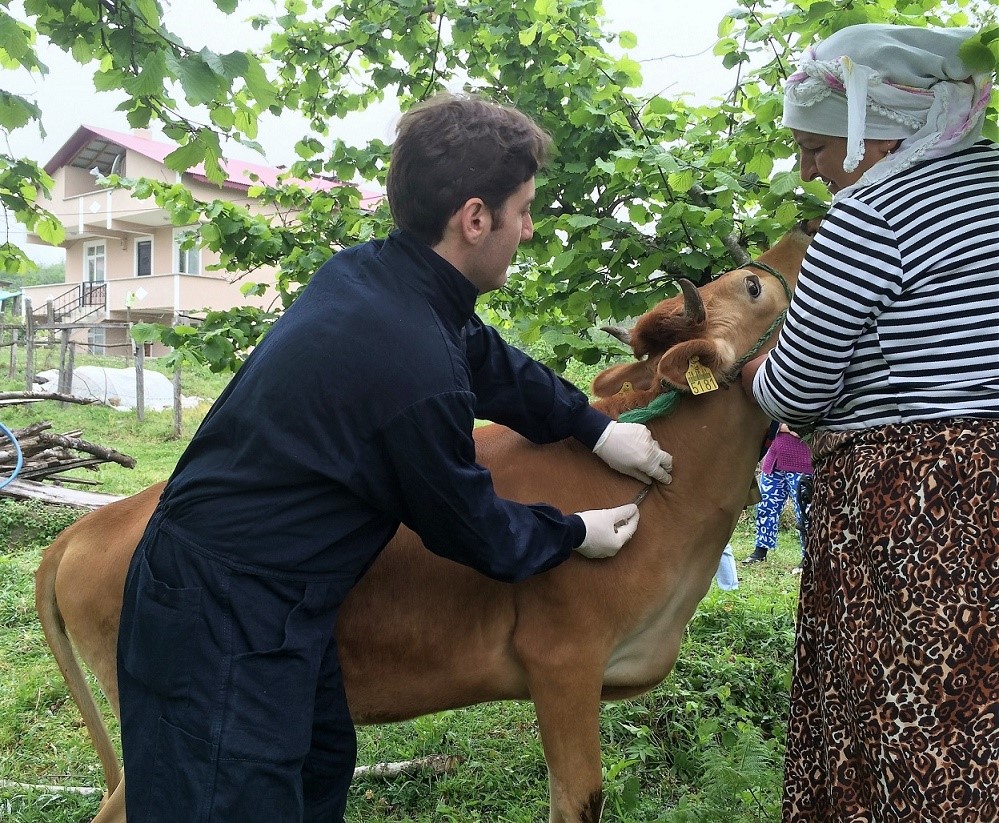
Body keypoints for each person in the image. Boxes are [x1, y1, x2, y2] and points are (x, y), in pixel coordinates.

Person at [116, 93, 674, 823]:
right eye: (524, 209)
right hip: (221, 611)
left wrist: (589, 426)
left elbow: (482, 354)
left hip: (270, 600)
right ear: (475, 218)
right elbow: (466, 524)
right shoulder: (413, 364)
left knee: (312, 775)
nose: (529, 228)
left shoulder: (378, 276)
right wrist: (573, 533)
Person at [741, 24, 999, 822]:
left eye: (816, 146)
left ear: (876, 128)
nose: (807, 168)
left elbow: (798, 388)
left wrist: (757, 373)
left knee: (911, 705)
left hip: (918, 498)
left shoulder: (869, 214)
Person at [742, 423, 813, 570]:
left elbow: (804, 429)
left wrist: (782, 426)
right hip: (775, 459)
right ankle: (760, 551)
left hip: (801, 462)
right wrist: (784, 427)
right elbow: (769, 421)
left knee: (804, 513)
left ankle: (808, 556)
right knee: (765, 506)